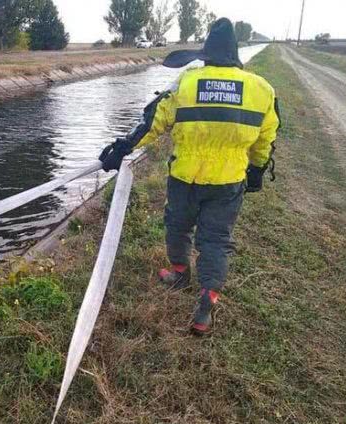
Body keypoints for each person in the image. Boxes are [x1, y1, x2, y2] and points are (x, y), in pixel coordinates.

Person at [99, 18, 281, 335]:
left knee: (177, 226)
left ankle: (180, 274)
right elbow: (266, 139)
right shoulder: (262, 90)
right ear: (236, 55)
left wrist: (123, 147)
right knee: (216, 241)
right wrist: (256, 170)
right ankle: (206, 304)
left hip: (185, 178)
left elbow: (153, 121)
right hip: (228, 182)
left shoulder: (187, 82)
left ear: (206, 54)